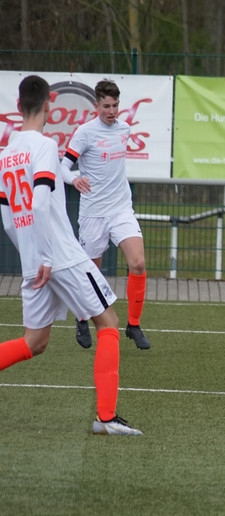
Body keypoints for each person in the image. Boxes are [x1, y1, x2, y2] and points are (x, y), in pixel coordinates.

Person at [0, 75, 141, 435]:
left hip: (33, 261)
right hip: (60, 256)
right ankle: (106, 418)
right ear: (49, 105)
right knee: (108, 324)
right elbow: (40, 202)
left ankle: (106, 418)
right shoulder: (45, 145)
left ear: (18, 106)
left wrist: (33, 256)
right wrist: (48, 256)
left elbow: (9, 219)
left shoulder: (6, 154)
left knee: (34, 342)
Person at [61, 80, 151, 350]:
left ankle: (133, 325)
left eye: (115, 106)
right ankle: (81, 317)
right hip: (93, 214)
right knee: (91, 272)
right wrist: (74, 179)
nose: (111, 111)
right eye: (106, 106)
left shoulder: (124, 129)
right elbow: (62, 167)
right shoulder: (84, 133)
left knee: (138, 263)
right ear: (96, 105)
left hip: (121, 209)